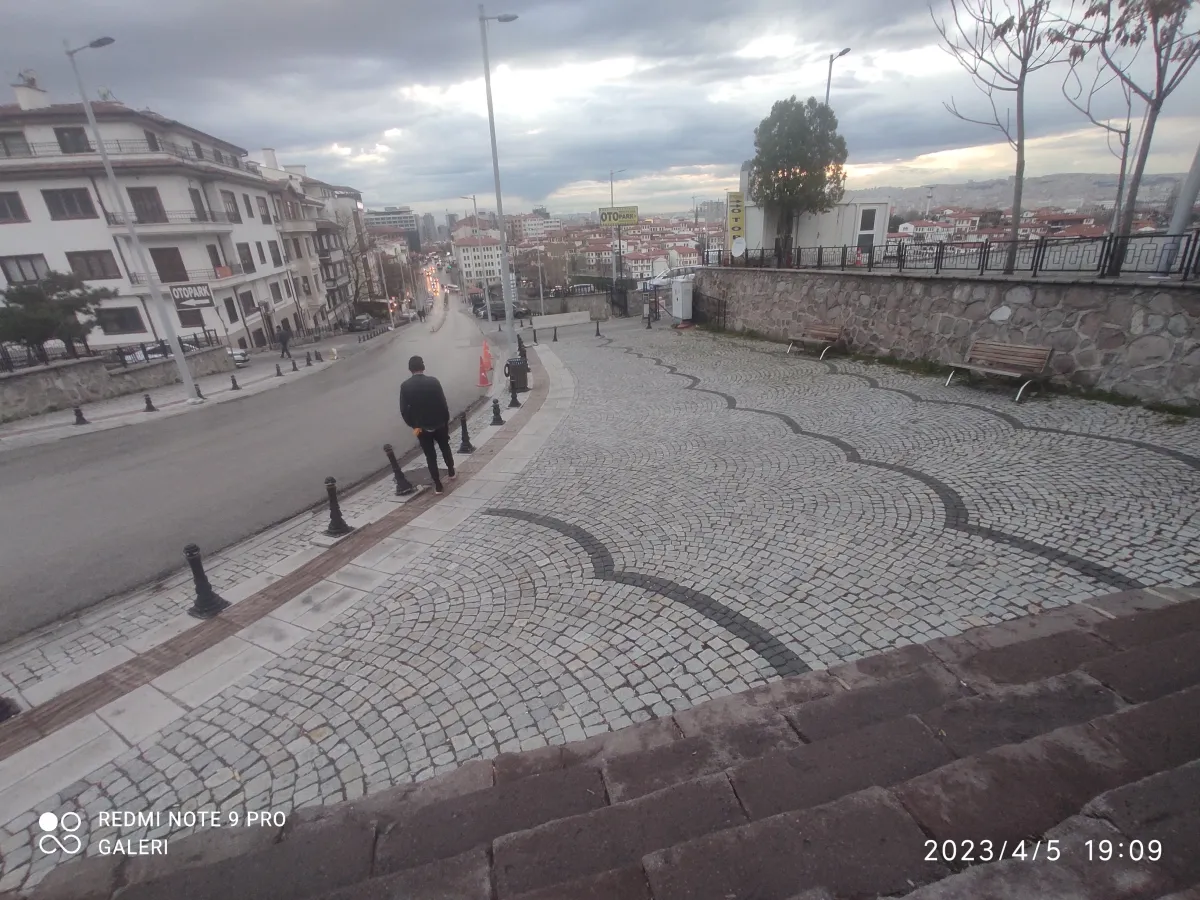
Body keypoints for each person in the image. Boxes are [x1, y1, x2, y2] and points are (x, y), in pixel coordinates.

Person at [399, 355, 455, 494]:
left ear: (410, 369)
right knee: (445, 447)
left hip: (421, 427)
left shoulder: (405, 386)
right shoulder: (434, 382)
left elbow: (404, 411)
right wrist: (445, 421)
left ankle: (438, 485)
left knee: (430, 455)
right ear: (423, 367)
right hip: (439, 423)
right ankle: (451, 471)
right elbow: (443, 404)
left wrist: (414, 426)